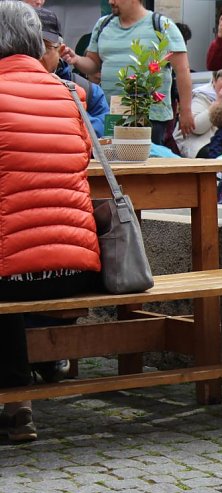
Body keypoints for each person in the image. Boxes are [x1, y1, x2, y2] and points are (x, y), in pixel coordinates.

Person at [0, 0, 101, 442]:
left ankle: (18, 403)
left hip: (13, 277)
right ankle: (20, 403)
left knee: (9, 269)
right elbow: (83, 158)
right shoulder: (69, 94)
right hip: (74, 272)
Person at [60, 0, 194, 145]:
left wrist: (186, 110)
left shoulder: (162, 25)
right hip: (111, 114)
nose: (111, 2)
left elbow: (182, 71)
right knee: (111, 158)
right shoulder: (103, 25)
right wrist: (76, 59)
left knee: (147, 158)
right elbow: (93, 64)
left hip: (150, 117)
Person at [35, 7, 108, 138]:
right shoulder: (7, 87)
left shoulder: (89, 91)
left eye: (44, 48)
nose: (36, 55)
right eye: (29, 48)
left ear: (60, 49)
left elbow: (102, 133)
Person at [173, 68, 222, 158]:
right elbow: (196, 128)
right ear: (214, 81)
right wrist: (218, 102)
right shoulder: (200, 96)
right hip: (198, 145)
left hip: (220, 144)